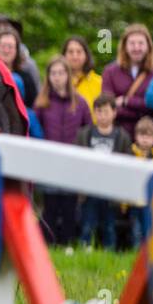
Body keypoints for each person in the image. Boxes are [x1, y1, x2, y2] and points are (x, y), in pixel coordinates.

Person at [33, 56, 91, 244]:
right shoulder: (42, 104)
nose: (57, 77)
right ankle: (49, 243)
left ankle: (68, 243)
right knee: (50, 205)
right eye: (53, 73)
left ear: (68, 74)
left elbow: (88, 130)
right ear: (48, 76)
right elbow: (35, 131)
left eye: (61, 73)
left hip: (73, 161)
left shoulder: (80, 103)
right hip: (50, 161)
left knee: (69, 205)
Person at [76, 93, 132, 250]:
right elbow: (77, 159)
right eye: (98, 111)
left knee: (109, 225)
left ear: (114, 112)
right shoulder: (84, 134)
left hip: (111, 190)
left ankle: (109, 251)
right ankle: (84, 250)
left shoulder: (122, 137)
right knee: (87, 224)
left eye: (106, 111)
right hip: (89, 189)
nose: (102, 116)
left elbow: (127, 163)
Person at [101, 23, 153, 137]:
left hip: (149, 140)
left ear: (148, 46)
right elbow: (108, 107)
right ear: (125, 46)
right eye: (132, 43)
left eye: (140, 43)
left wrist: (126, 101)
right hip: (119, 136)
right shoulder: (110, 72)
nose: (136, 48)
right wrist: (143, 109)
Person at [0, 15, 40, 104]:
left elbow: (34, 103)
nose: (6, 50)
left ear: (17, 50)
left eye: (10, 47)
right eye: (3, 46)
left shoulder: (26, 76)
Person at [128, 116, 153, 245]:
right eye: (142, 135)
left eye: (149, 136)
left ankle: (148, 256)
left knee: (149, 231)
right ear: (136, 136)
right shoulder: (130, 154)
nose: (145, 139)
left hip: (150, 203)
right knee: (136, 230)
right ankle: (136, 254)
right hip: (134, 201)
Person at [62, 35, 103, 111]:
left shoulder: (99, 82)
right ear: (64, 55)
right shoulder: (58, 81)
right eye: (70, 52)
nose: (75, 56)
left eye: (79, 52)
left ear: (86, 55)